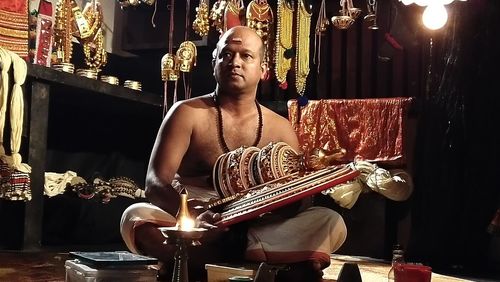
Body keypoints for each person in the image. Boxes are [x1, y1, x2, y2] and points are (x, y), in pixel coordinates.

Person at [120, 26, 347, 282]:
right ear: (214, 62)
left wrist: (286, 204)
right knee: (136, 217)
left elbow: (297, 200)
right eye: (226, 54)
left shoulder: (280, 127)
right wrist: (191, 214)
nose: (235, 62)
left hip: (256, 224)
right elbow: (155, 182)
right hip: (199, 220)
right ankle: (266, 263)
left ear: (263, 70)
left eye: (246, 56)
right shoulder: (186, 112)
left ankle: (207, 259)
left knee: (330, 221)